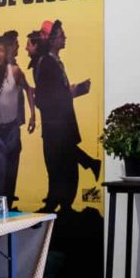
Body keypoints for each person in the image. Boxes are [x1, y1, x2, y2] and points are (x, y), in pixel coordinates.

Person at [34, 19, 100, 213]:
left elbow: (56, 93)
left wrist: (73, 91)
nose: (65, 38)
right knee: (59, 164)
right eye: (62, 35)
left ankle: (61, 203)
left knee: (65, 163)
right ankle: (59, 203)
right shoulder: (48, 62)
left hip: (61, 123)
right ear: (53, 39)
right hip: (56, 124)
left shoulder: (55, 62)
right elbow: (46, 95)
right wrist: (72, 91)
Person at [0, 37, 35, 206]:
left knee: (11, 169)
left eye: (1, 50)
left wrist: (32, 115)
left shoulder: (15, 71)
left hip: (12, 128)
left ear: (6, 54)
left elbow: (28, 90)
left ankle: (9, 207)